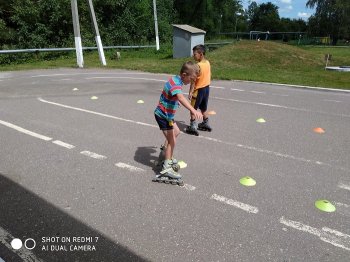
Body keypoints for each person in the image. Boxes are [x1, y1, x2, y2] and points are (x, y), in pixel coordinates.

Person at [154, 61, 202, 179]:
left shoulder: (176, 80)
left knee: (176, 132)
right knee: (172, 140)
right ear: (184, 75)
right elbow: (180, 97)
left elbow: (175, 97)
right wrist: (193, 110)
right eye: (191, 79)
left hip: (167, 116)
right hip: (163, 116)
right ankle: (166, 168)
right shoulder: (175, 83)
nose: (191, 82)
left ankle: (165, 154)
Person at [186, 44, 212, 136]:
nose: (193, 55)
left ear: (201, 54)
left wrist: (190, 92)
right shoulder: (207, 63)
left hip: (198, 90)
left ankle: (193, 126)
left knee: (192, 109)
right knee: (203, 108)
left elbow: (193, 80)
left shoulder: (197, 66)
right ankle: (205, 122)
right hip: (206, 89)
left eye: (195, 54)